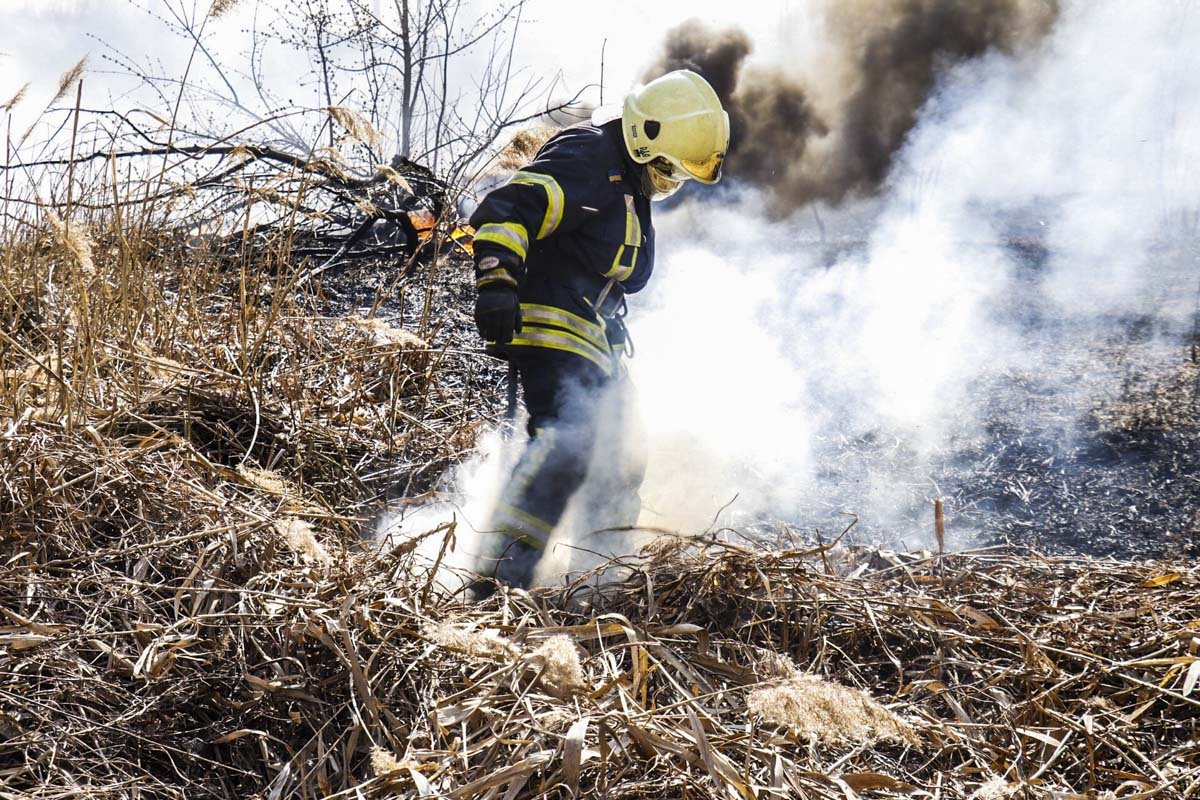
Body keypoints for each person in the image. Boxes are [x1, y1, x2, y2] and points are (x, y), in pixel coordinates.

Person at [469, 69, 729, 589]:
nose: (666, 182)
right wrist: (497, 282)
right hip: (551, 328)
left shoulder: (627, 181)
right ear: (644, 136)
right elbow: (508, 208)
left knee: (624, 455)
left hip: (596, 342)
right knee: (568, 443)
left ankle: (599, 577)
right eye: (665, 169)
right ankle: (495, 581)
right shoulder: (589, 157)